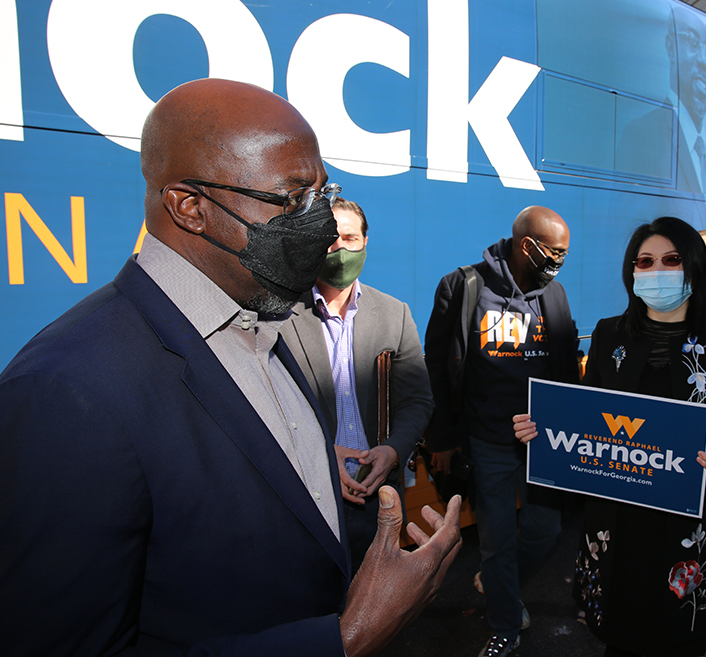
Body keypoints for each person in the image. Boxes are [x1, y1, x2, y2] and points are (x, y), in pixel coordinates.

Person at [0, 78, 461, 657]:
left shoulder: (259, 316)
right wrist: (348, 637)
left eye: (323, 193)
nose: (322, 227)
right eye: (293, 199)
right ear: (190, 208)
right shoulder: (64, 393)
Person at [515, 216, 706, 657]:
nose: (657, 270)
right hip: (618, 520)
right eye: (645, 261)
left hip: (690, 519)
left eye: (671, 259)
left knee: (681, 637)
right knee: (621, 633)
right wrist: (543, 430)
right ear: (632, 271)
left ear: (694, 266)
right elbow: (587, 415)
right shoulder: (609, 332)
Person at [424, 206, 579, 657]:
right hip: (487, 441)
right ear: (527, 246)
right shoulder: (463, 286)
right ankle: (505, 626)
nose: (560, 262)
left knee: (546, 529)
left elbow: (567, 369)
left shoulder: (555, 295)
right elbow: (438, 366)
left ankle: (499, 585)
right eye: (556, 252)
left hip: (544, 442)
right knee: (496, 542)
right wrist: (442, 438)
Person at [280, 197, 434, 577]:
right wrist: (319, 454)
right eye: (329, 239)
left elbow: (417, 400)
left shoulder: (395, 314)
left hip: (377, 494)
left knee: (376, 599)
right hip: (306, 494)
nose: (339, 249)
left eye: (349, 238)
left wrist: (393, 451)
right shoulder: (279, 313)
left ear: (365, 242)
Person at [618, 8, 706, 234]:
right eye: (693, 43)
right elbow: (626, 233)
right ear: (671, 48)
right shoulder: (642, 135)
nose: (704, 62)